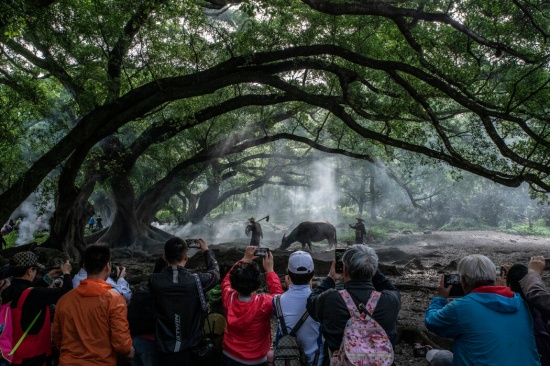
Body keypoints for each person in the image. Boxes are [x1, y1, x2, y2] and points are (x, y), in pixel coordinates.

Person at [424, 254, 541, 365]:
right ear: (494, 278)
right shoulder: (520, 302)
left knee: (439, 356)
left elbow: (432, 322)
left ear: (463, 281)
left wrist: (439, 299)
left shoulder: (461, 307)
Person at [306, 245, 401, 364]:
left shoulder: (330, 299)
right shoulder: (391, 300)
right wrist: (370, 266)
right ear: (373, 271)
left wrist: (330, 278)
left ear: (344, 270)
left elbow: (311, 303)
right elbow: (392, 289)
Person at [52, 244, 134, 365]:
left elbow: (57, 338)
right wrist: (129, 351)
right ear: (107, 267)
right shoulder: (114, 300)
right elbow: (121, 344)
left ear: (84, 267)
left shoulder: (64, 300)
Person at [148, 237, 219, 365]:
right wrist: (206, 251)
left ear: (164, 257)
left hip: (164, 349)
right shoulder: (197, 281)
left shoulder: (154, 281)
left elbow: (158, 272)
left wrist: (170, 252)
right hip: (192, 349)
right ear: (186, 257)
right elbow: (215, 273)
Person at [2, 251, 72, 366]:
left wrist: (48, 277)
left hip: (10, 353)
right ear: (29, 271)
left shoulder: (6, 288)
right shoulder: (35, 294)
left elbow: (29, 290)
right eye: (35, 270)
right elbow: (66, 292)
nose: (35, 273)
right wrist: (67, 273)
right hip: (32, 356)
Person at [221, 246, 283, 365]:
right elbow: (280, 301)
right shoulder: (264, 303)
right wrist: (270, 271)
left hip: (229, 355)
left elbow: (226, 281)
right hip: (257, 360)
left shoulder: (228, 296)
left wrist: (244, 259)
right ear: (258, 283)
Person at [273, 251, 323, 365]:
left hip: (287, 361)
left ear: (288, 275)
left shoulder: (276, 301)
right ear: (313, 274)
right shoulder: (320, 301)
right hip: (315, 361)